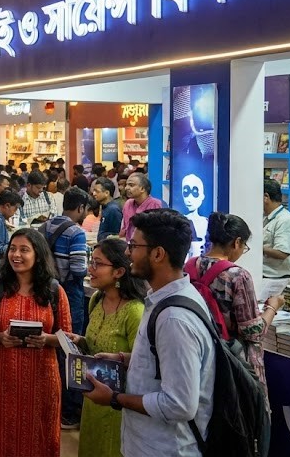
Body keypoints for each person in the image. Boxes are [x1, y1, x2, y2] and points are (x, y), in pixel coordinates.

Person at [83, 209, 215, 457]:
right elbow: (163, 363)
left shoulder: (174, 318)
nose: (127, 253)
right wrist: (124, 359)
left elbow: (179, 404)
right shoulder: (161, 300)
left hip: (165, 448)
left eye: (133, 246)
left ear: (157, 254)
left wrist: (115, 398)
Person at [0, 228, 72, 457]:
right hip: (4, 378)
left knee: (41, 435)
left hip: (43, 379)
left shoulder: (54, 290)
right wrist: (0, 337)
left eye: (24, 250)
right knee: (5, 434)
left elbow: (67, 337)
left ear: (38, 255)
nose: (16, 255)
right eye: (12, 249)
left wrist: (47, 339)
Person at [189, 213, 284, 420]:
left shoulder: (190, 267)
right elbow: (253, 331)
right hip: (235, 364)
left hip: (199, 357)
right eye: (244, 247)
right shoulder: (237, 276)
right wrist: (272, 307)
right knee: (246, 422)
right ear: (237, 242)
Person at [77, 238, 146, 457]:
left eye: (97, 264)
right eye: (91, 262)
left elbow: (143, 362)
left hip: (119, 404)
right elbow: (96, 344)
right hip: (93, 398)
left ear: (118, 272)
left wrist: (118, 358)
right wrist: (79, 341)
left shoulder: (134, 311)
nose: (90, 269)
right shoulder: (97, 300)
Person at [39, 187, 90, 428]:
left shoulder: (45, 226)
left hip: (46, 293)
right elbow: (79, 269)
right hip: (70, 295)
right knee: (70, 350)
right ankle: (69, 409)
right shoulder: (76, 233)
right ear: (80, 208)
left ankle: (52, 404)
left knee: (51, 347)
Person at [261, 179, 290, 299]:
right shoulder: (265, 217)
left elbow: (282, 253)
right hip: (268, 278)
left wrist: (258, 248)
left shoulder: (285, 220)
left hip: (279, 280)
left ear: (266, 197)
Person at [118, 173, 163, 241]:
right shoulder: (128, 203)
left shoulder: (155, 204)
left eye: (131, 185)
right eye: (126, 185)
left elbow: (157, 232)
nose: (126, 188)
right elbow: (124, 228)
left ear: (142, 188)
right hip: (128, 244)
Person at [91, 177, 122, 241]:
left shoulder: (113, 210)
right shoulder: (105, 207)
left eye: (97, 191)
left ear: (107, 193)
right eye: (94, 191)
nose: (94, 194)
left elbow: (116, 235)